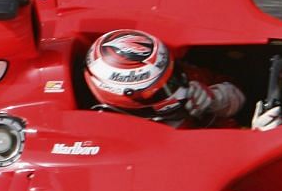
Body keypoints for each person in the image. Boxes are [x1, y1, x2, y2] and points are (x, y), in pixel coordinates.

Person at [83, 29, 249, 127]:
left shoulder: (167, 72)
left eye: (173, 74)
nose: (180, 91)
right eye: (163, 89)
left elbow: (235, 84)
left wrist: (216, 99)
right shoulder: (106, 130)